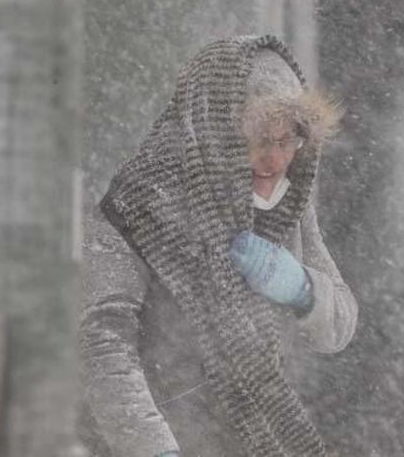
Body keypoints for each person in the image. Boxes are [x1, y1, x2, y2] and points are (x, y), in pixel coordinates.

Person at [78, 35, 358, 457]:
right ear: (215, 136)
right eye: (261, 139)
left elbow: (339, 326)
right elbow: (103, 347)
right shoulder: (135, 207)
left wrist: (301, 288)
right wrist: (155, 449)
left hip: (251, 441)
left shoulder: (288, 208)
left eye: (289, 140)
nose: (276, 160)